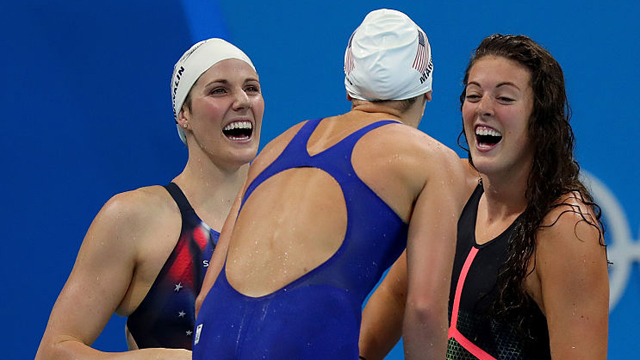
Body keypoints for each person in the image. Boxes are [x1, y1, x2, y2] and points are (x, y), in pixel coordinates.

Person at [192, 8, 467, 360]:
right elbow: (425, 307)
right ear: (427, 91)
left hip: (214, 340)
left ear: (350, 88)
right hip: (300, 345)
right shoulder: (432, 159)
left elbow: (206, 295)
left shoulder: (277, 146)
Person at [358, 34, 610, 360]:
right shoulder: (453, 190)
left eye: (505, 98)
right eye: (474, 95)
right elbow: (396, 296)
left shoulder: (564, 228)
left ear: (540, 120)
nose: (484, 109)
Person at [35, 38, 264, 359]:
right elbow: (52, 352)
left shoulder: (284, 216)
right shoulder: (136, 218)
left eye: (251, 88)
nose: (242, 100)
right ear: (184, 114)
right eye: (219, 90)